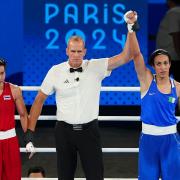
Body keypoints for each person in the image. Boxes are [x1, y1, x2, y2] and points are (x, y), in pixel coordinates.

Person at [25, 29, 135, 179]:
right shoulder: (55, 71)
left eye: (79, 51)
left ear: (84, 51)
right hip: (64, 132)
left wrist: (130, 29)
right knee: (65, 176)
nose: (76, 55)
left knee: (95, 176)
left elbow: (126, 56)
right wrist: (30, 133)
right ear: (67, 51)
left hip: (89, 131)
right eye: (73, 51)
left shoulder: (96, 66)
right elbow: (39, 100)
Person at [124, 11, 180, 179]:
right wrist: (131, 28)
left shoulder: (177, 87)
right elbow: (136, 55)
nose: (162, 67)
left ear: (170, 64)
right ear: (154, 66)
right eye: (158, 64)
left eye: (165, 63)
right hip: (148, 140)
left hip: (171, 140)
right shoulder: (147, 80)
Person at [0, 58, 28, 179]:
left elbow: (23, 115)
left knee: (13, 177)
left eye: (2, 73)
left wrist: (28, 140)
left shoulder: (14, 90)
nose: (0, 77)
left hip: (10, 140)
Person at [156, 0, 180, 82]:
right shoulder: (175, 12)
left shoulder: (174, 12)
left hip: (172, 56)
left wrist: (178, 53)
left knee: (161, 84)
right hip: (171, 56)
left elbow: (175, 34)